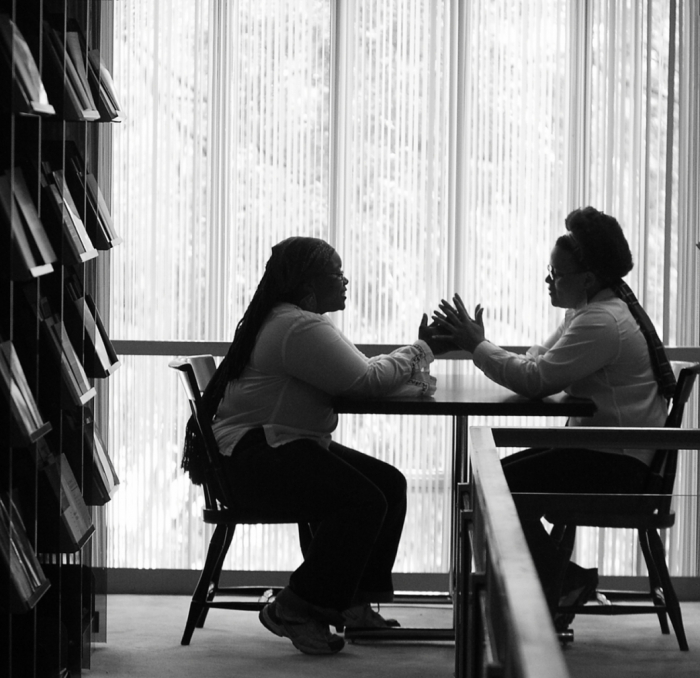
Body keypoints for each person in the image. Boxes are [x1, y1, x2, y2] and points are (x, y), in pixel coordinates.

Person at [190, 236, 435, 656]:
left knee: (389, 484)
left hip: (271, 447)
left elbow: (361, 376)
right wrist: (423, 350)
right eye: (336, 274)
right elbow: (366, 382)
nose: (345, 281)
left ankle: (352, 603)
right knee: (364, 502)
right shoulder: (297, 326)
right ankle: (295, 605)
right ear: (308, 285)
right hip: (254, 459)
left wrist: (410, 371)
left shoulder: (293, 320)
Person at [428, 206, 675, 619]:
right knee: (490, 482)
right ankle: (558, 585)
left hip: (617, 464)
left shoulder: (601, 321)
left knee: (493, 487)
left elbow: (536, 378)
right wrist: (500, 352)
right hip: (606, 452)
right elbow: (541, 359)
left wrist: (476, 346)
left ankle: (555, 587)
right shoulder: (590, 312)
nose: (549, 280)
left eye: (557, 273)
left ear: (589, 279)